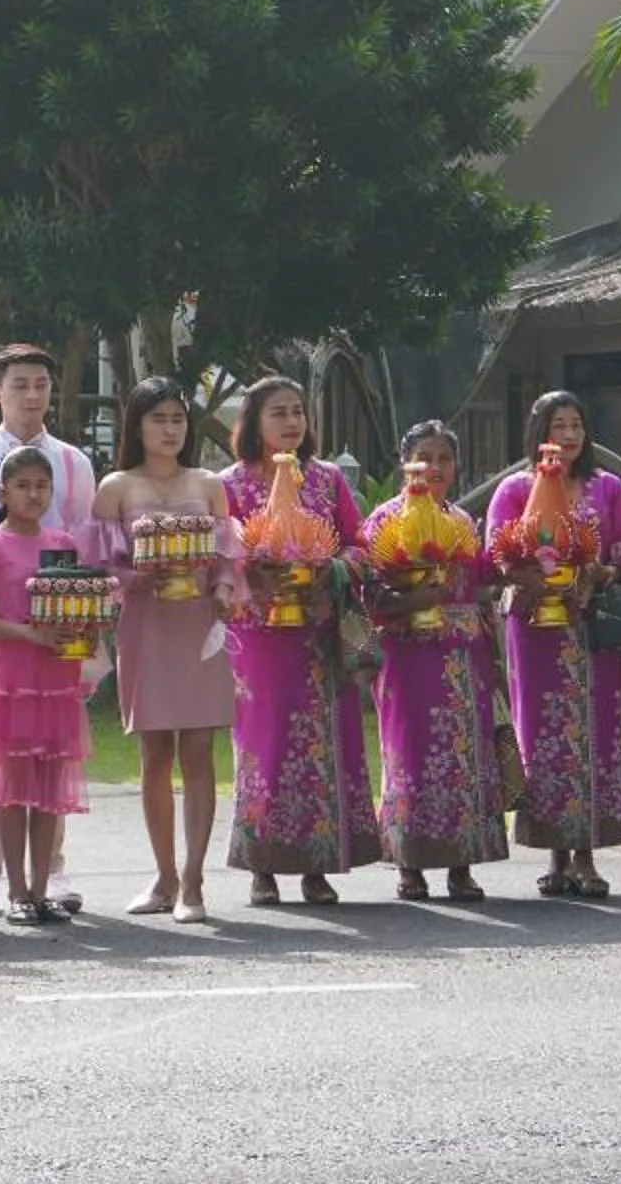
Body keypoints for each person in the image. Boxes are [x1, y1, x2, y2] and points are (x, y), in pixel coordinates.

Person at [216, 373, 378, 906]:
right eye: (278, 412)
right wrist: (254, 572)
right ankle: (262, 864)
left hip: (319, 633)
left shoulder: (328, 481)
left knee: (323, 745)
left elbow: (361, 547)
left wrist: (330, 568)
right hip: (259, 637)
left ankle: (318, 864)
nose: (291, 422)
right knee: (265, 745)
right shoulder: (231, 484)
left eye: (298, 412)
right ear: (254, 423)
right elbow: (222, 556)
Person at [82, 376, 237, 923]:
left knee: (199, 751)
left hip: (199, 625)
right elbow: (98, 566)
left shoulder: (210, 482)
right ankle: (163, 876)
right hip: (146, 623)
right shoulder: (116, 486)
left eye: (177, 419)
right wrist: (134, 580)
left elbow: (228, 556)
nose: (170, 429)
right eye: (158, 419)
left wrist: (221, 590)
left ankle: (193, 881)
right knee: (154, 755)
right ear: (137, 425)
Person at [484, 389, 621, 899]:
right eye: (559, 425)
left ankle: (587, 855)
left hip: (591, 625)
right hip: (534, 628)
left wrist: (601, 569)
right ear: (539, 434)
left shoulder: (608, 487)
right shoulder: (514, 488)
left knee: (596, 733)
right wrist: (530, 574)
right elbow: (496, 550)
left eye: (576, 424)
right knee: (546, 735)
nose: (570, 435)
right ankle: (556, 854)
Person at [0, 343, 94, 917]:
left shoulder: (72, 462)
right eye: (20, 384)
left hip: (59, 635)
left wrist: (80, 632)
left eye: (42, 383)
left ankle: (50, 874)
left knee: (52, 758)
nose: (32, 395)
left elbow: (83, 544)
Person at [360, 421, 509, 903]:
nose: (434, 468)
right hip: (407, 658)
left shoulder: (463, 523)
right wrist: (418, 597)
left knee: (464, 759)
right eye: (423, 458)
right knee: (410, 754)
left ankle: (462, 864)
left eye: (444, 458)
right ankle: (410, 863)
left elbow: (481, 581)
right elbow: (370, 596)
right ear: (406, 466)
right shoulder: (384, 522)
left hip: (465, 659)